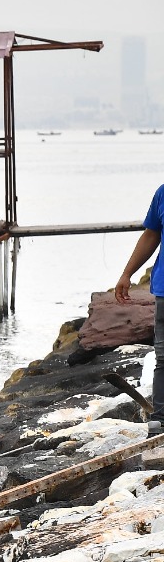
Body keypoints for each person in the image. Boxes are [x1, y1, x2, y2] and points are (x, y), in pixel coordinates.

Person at [112, 182, 164, 436]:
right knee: (163, 357)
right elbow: (151, 234)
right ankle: (161, 422)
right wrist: (127, 273)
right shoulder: (162, 193)